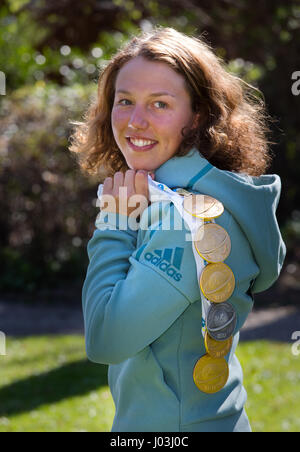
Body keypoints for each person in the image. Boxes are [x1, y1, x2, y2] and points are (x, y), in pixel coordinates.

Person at [70, 26, 286, 432]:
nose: (135, 121)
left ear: (198, 116)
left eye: (160, 104)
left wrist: (114, 223)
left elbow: (106, 339)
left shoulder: (186, 220)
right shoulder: (181, 195)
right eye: (125, 101)